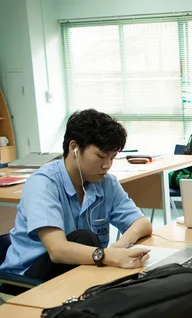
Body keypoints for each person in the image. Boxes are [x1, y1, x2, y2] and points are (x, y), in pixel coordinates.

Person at [0, 109, 152, 285]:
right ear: (74, 148)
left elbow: (142, 224)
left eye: (112, 158)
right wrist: (107, 255)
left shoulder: (106, 183)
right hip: (27, 277)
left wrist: (120, 246)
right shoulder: (43, 183)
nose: (107, 165)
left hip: (81, 269)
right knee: (85, 238)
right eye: (101, 156)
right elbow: (58, 250)